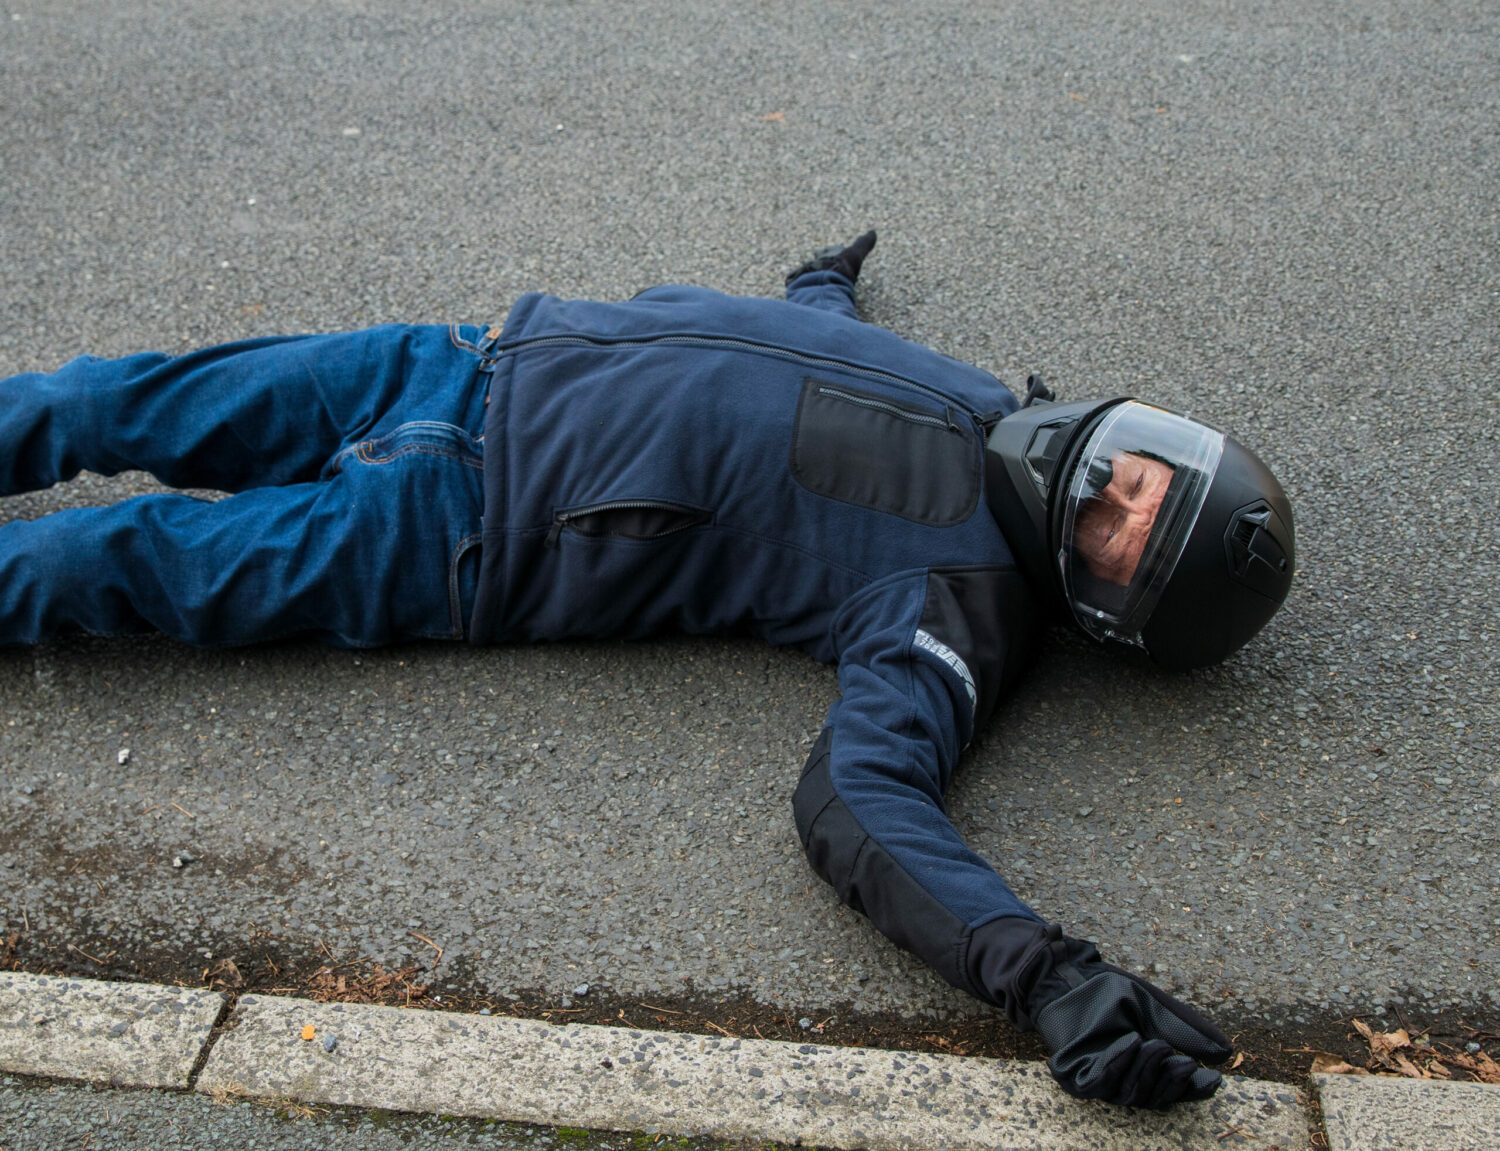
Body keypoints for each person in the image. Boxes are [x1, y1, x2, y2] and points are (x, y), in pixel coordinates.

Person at [0, 232, 1294, 1108]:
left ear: (1108, 610)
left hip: (452, 534)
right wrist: (814, 293)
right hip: (458, 362)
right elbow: (819, 381)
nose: (1109, 496)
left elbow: (860, 805)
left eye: (1124, 540)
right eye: (1142, 476)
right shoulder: (987, 402)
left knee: (108, 558)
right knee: (103, 401)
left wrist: (1046, 976)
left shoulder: (958, 611)